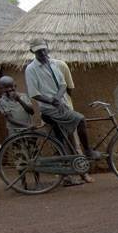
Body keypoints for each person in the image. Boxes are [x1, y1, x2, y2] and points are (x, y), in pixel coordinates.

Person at [24, 39, 98, 185]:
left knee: (69, 143)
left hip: (62, 107)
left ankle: (77, 175)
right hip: (50, 110)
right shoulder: (31, 69)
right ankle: (87, 152)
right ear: (33, 52)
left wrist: (58, 98)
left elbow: (64, 84)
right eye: (39, 51)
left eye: (44, 50)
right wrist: (53, 101)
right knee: (80, 120)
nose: (43, 53)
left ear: (48, 49)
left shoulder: (55, 64)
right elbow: (34, 93)